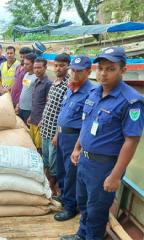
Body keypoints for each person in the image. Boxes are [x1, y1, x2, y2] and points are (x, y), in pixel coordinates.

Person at [61, 47, 144, 240]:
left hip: (105, 166)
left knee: (97, 210)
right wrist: (77, 148)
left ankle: (92, 237)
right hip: (84, 161)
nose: (103, 73)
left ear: (123, 70)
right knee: (83, 202)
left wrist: (115, 176)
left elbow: (131, 141)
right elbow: (86, 123)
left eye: (110, 69)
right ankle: (82, 235)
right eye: (100, 68)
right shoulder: (94, 93)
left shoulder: (131, 101)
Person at [54, 56, 94, 223]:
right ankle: (64, 197)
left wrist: (78, 146)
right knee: (61, 169)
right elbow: (63, 113)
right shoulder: (71, 88)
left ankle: (70, 206)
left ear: (89, 72)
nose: (75, 74)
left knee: (71, 173)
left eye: (79, 71)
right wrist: (57, 133)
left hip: (74, 138)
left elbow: (87, 123)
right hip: (62, 135)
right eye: (73, 70)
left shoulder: (90, 93)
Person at [40, 53, 70, 196]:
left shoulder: (68, 85)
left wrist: (58, 134)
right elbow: (50, 104)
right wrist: (42, 120)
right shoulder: (55, 82)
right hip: (46, 127)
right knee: (45, 158)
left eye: (62, 66)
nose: (58, 68)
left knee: (53, 163)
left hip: (55, 132)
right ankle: (46, 184)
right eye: (56, 65)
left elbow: (65, 112)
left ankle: (52, 188)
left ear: (67, 66)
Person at [28, 58, 52, 153]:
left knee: (40, 148)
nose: (36, 70)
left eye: (39, 68)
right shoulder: (36, 81)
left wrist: (43, 120)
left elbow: (48, 103)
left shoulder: (48, 84)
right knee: (32, 144)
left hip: (40, 122)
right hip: (33, 119)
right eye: (35, 68)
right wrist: (31, 115)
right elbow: (36, 102)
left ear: (45, 68)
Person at [16, 53, 37, 124]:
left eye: (27, 64)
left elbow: (38, 97)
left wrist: (32, 114)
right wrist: (18, 104)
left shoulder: (36, 78)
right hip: (21, 107)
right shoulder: (26, 74)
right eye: (24, 63)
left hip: (29, 110)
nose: (24, 66)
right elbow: (24, 90)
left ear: (34, 64)